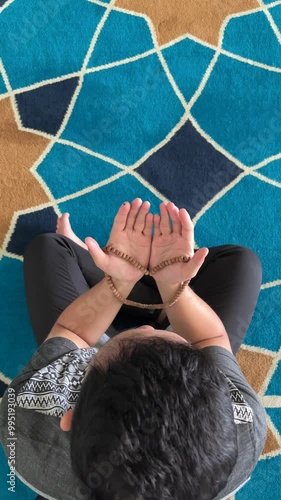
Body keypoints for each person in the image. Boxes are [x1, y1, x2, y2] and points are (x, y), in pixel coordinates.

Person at [0, 198, 267, 500]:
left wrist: (118, 282)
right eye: (178, 346)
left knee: (50, 248)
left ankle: (127, 283)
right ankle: (155, 296)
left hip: (89, 331)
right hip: (161, 323)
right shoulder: (239, 426)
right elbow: (210, 340)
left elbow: (71, 331)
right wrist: (174, 287)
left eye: (137, 335)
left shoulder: (25, 421)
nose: (146, 332)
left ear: (69, 418)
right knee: (241, 261)